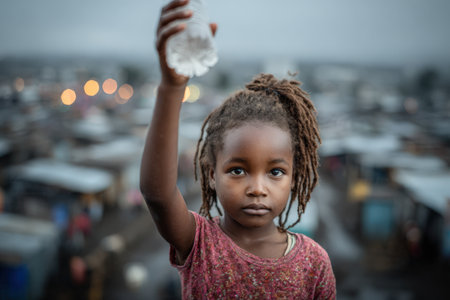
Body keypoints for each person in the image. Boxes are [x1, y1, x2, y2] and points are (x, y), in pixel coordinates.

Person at [140, 0, 336, 298]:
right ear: (210, 174)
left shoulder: (314, 262)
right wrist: (171, 87)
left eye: (275, 171)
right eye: (238, 170)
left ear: (294, 177)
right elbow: (158, 196)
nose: (257, 188)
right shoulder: (198, 243)